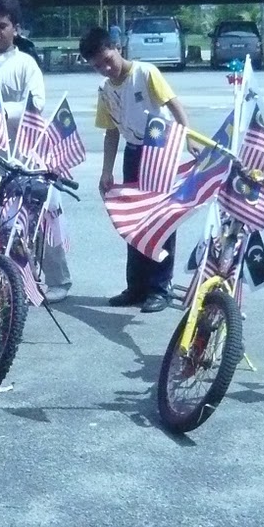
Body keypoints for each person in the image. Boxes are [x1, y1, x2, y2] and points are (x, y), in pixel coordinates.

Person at [0, 0, 70, 300]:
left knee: (47, 209)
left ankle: (58, 279)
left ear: (15, 29)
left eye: (2, 26)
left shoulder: (26, 64)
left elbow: (36, 106)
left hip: (24, 154)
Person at [84, 25, 191, 313]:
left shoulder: (145, 73)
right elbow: (110, 132)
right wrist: (107, 171)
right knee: (134, 222)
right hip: (133, 153)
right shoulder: (106, 91)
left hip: (159, 151)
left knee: (160, 220)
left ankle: (160, 287)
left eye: (107, 60)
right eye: (98, 66)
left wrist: (189, 138)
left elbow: (175, 106)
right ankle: (136, 287)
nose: (106, 68)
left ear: (116, 47)